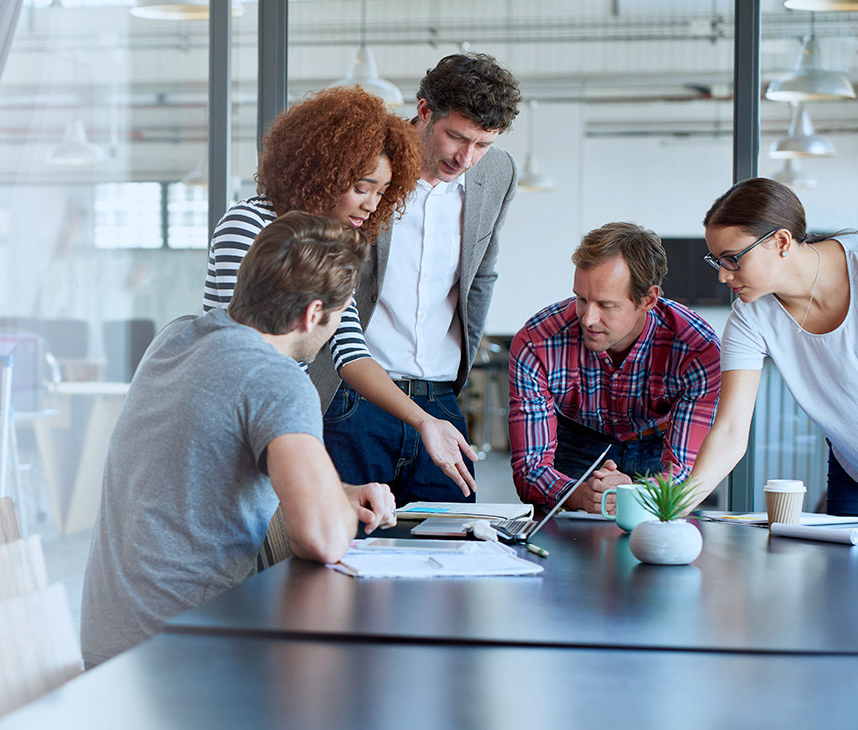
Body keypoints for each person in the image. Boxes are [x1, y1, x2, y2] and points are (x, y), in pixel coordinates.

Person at [85, 212, 398, 667]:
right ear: (313, 314)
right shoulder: (277, 379)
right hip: (185, 657)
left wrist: (340, 493)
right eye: (339, 315)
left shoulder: (175, 338)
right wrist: (330, 504)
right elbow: (324, 539)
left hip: (109, 647)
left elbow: (211, 471)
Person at [203, 86, 481, 496]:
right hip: (243, 428)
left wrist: (425, 421)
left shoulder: (336, 245)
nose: (372, 205)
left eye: (383, 192)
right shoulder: (248, 223)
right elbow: (242, 352)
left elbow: (351, 351)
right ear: (323, 171)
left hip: (282, 424)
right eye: (362, 186)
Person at [314, 53, 522, 506]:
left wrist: (456, 379)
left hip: (440, 400)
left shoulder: (498, 173)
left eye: (483, 144)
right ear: (424, 111)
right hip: (353, 398)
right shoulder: (369, 165)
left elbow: (482, 273)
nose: (466, 158)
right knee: (348, 553)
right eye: (457, 137)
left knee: (450, 555)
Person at [508, 222, 722, 513]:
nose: (588, 319)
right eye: (581, 299)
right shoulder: (537, 342)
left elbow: (684, 474)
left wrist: (635, 494)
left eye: (606, 305)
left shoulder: (696, 348)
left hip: (659, 447)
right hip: (576, 444)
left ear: (647, 299)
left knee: (667, 539)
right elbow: (530, 470)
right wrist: (578, 495)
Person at [685, 178, 858, 515]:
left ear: (781, 241)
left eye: (732, 258)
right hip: (850, 465)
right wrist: (676, 505)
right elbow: (731, 430)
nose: (723, 275)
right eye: (716, 260)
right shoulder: (750, 316)